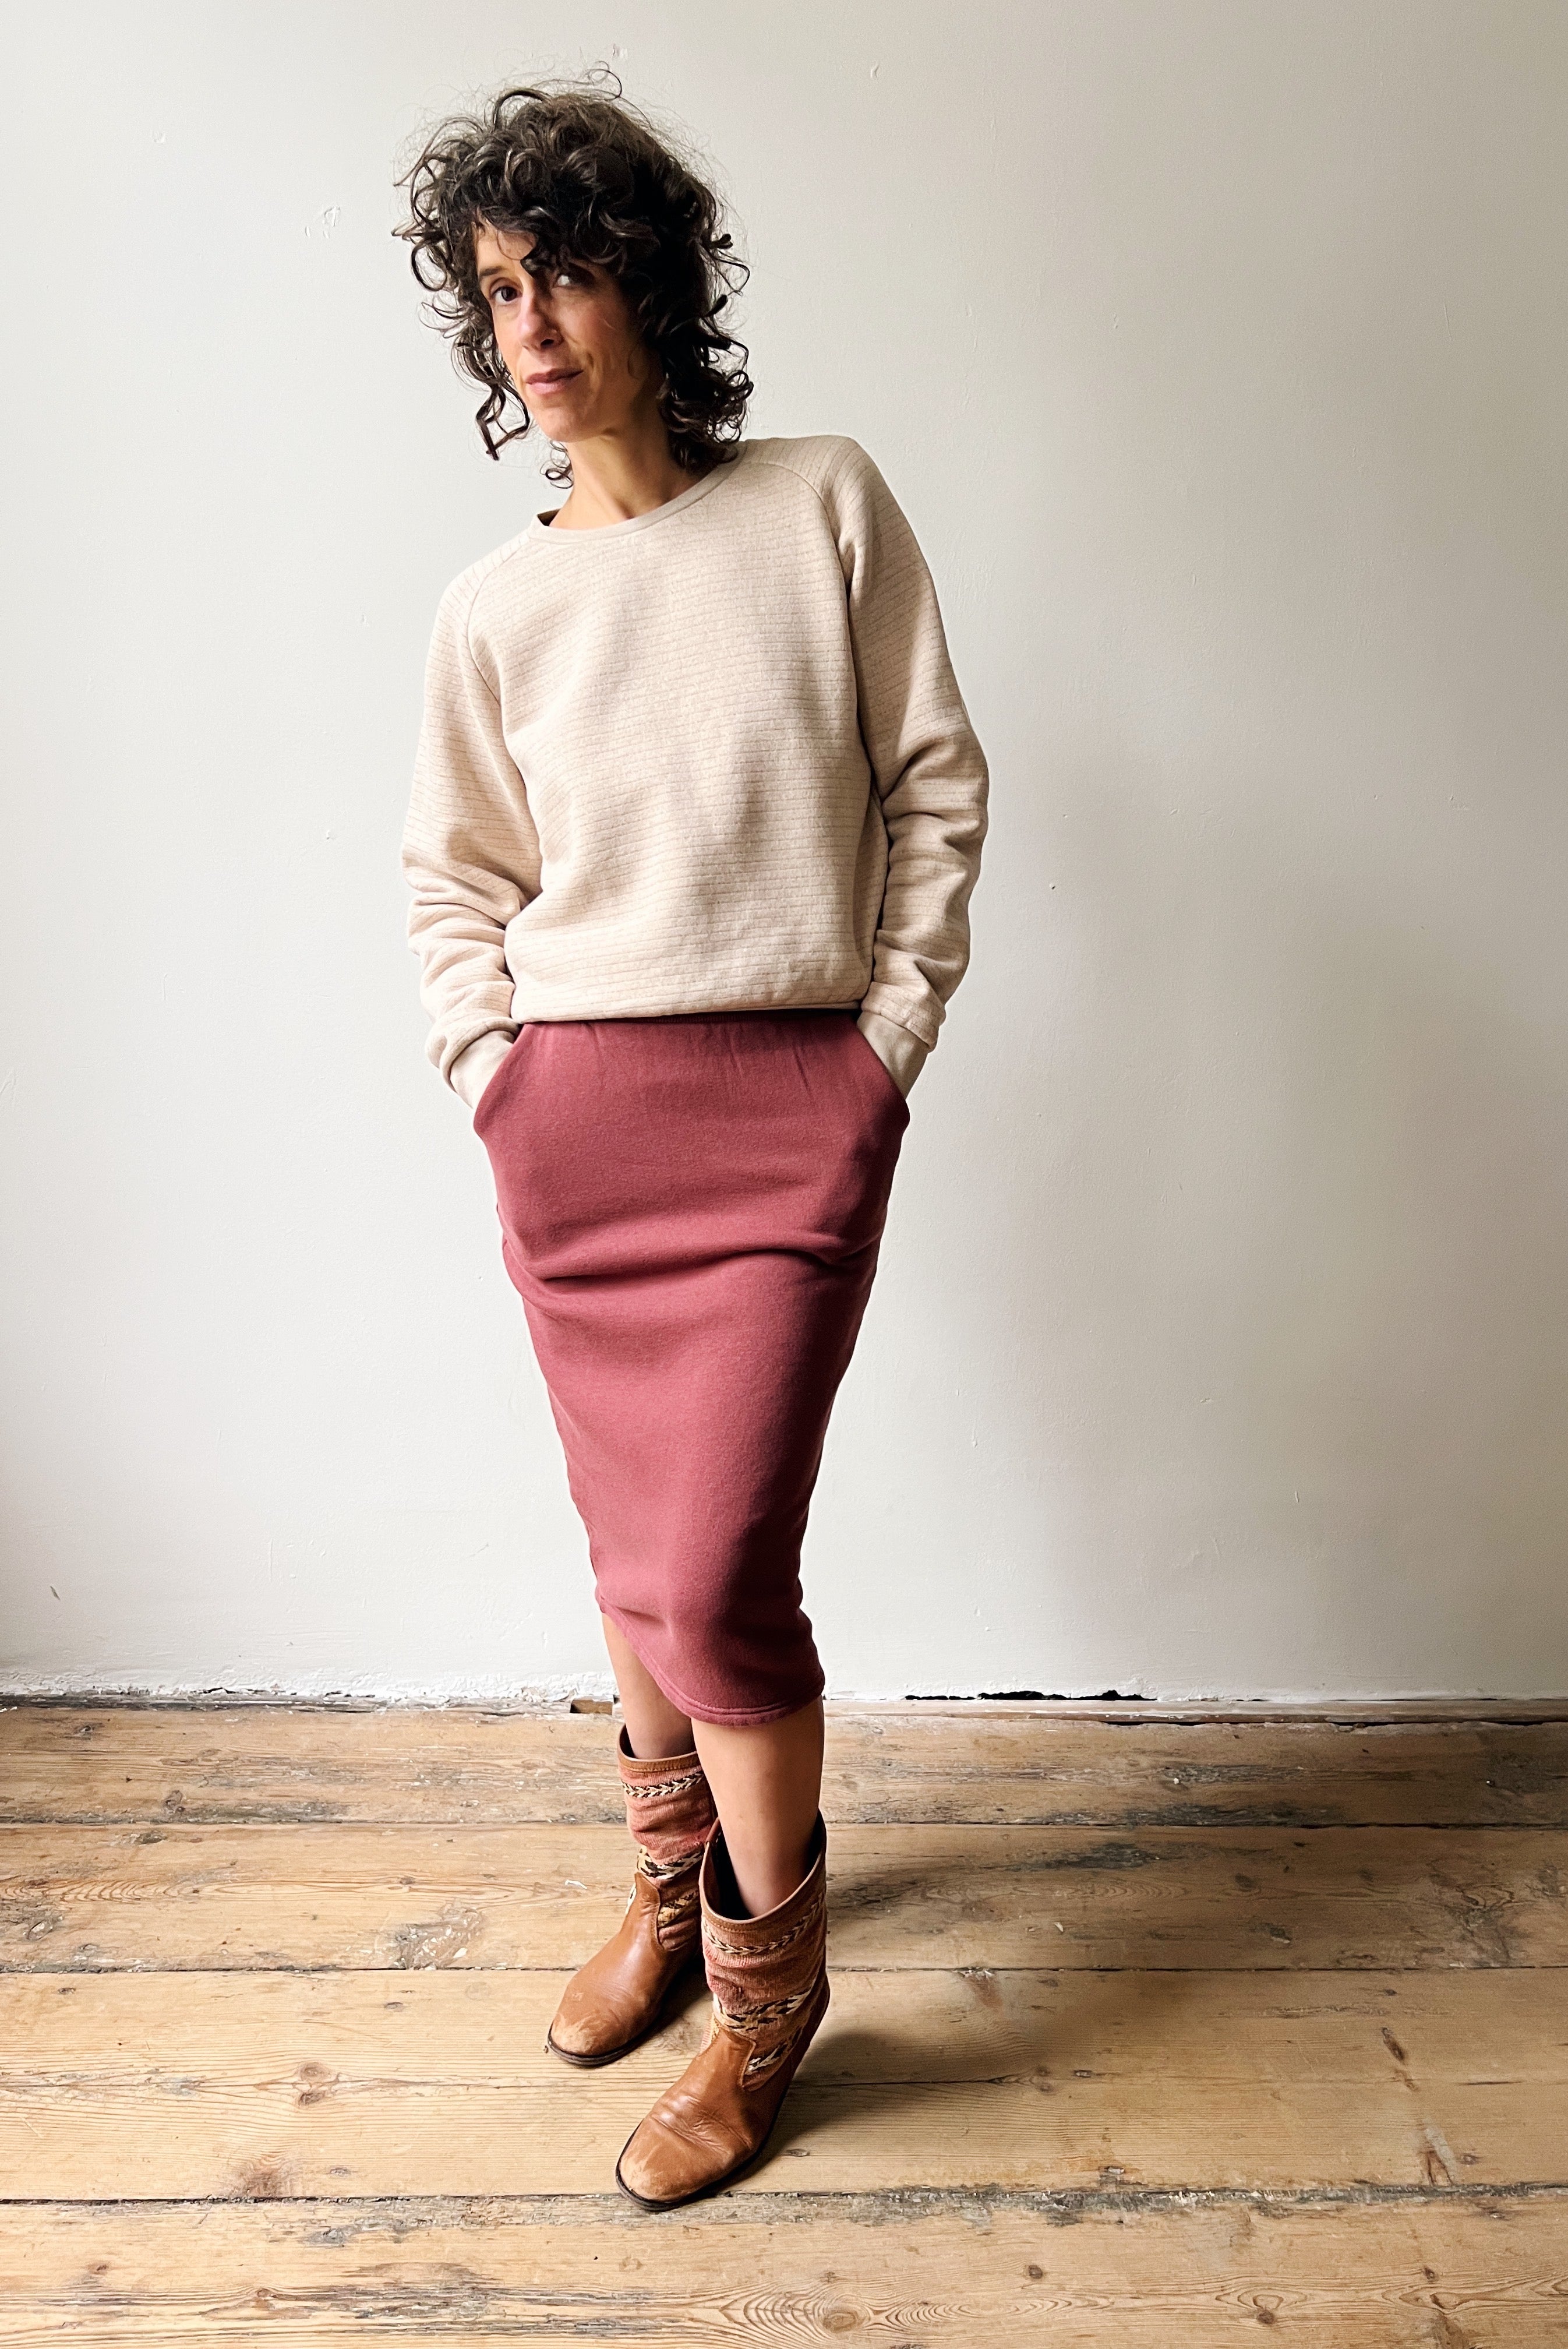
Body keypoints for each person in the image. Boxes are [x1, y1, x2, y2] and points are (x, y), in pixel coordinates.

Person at [394, 74, 988, 2210]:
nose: (530, 324)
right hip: (577, 1134)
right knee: (632, 1549)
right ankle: (669, 1895)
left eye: (560, 270)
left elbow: (933, 780)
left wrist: (883, 1044)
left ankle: (765, 2006)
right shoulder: (493, 606)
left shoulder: (821, 502)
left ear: (647, 277)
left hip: (781, 1116)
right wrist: (497, 1073)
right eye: (492, 293)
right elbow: (450, 877)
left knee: (720, 1571)